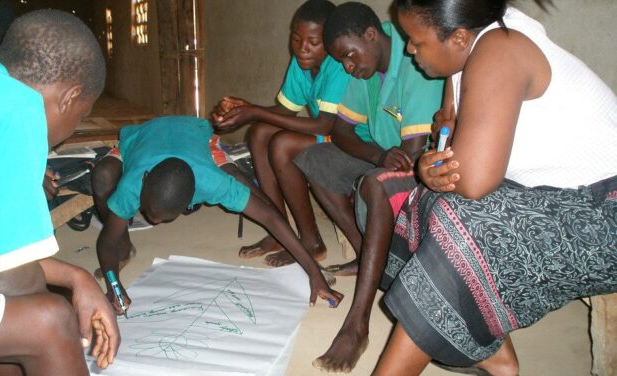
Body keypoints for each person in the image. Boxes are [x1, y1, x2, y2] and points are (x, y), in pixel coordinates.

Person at [370, 1, 617, 375]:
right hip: (567, 196)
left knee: (470, 228)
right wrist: (430, 165)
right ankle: (492, 352)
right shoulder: (469, 51)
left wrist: (435, 164)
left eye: (416, 41)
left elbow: (473, 181)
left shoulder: (500, 48)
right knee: (427, 198)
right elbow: (448, 138)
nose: (409, 50)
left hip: (605, 215)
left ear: (458, 37)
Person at [292, 2, 444, 372]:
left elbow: (410, 155)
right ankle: (368, 255)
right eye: (342, 60)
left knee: (376, 185)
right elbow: (340, 132)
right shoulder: (367, 71)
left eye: (348, 55)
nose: (347, 66)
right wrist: (375, 156)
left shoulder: (415, 67)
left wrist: (377, 164)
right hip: (383, 158)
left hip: (422, 169)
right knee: (313, 159)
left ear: (371, 36)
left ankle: (357, 324)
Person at [91, 115, 343, 315]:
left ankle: (282, 241)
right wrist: (113, 285)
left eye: (161, 218)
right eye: (147, 211)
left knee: (241, 182)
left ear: (193, 200)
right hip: (143, 135)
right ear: (144, 182)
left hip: (193, 132)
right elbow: (106, 241)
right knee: (102, 177)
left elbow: (270, 217)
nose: (151, 220)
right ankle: (125, 250)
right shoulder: (133, 184)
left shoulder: (211, 182)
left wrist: (314, 273)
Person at [0, 9, 119, 375]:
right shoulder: (21, 110)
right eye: (80, 116)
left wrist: (76, 277)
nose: (70, 130)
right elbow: (10, 282)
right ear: (70, 97)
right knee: (51, 323)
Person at [212, 0, 351, 267]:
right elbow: (285, 110)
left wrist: (254, 111)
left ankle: (311, 242)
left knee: (282, 144)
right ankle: (279, 231)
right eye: (296, 39)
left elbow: (325, 125)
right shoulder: (301, 64)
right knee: (259, 132)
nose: (302, 48)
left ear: (333, 41)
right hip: (329, 134)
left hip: (351, 141)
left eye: (313, 42)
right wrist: (245, 108)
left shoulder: (338, 66)